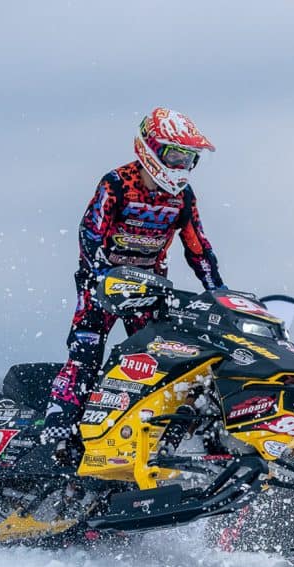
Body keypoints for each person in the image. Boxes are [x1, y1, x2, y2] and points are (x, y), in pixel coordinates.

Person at [42, 107, 225, 442]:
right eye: (176, 156)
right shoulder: (117, 183)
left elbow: (197, 246)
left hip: (150, 287)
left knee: (160, 356)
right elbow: (90, 232)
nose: (182, 167)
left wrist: (218, 292)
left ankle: (148, 428)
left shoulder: (182, 197)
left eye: (190, 159)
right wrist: (98, 272)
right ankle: (59, 423)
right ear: (151, 149)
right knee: (86, 350)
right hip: (103, 284)